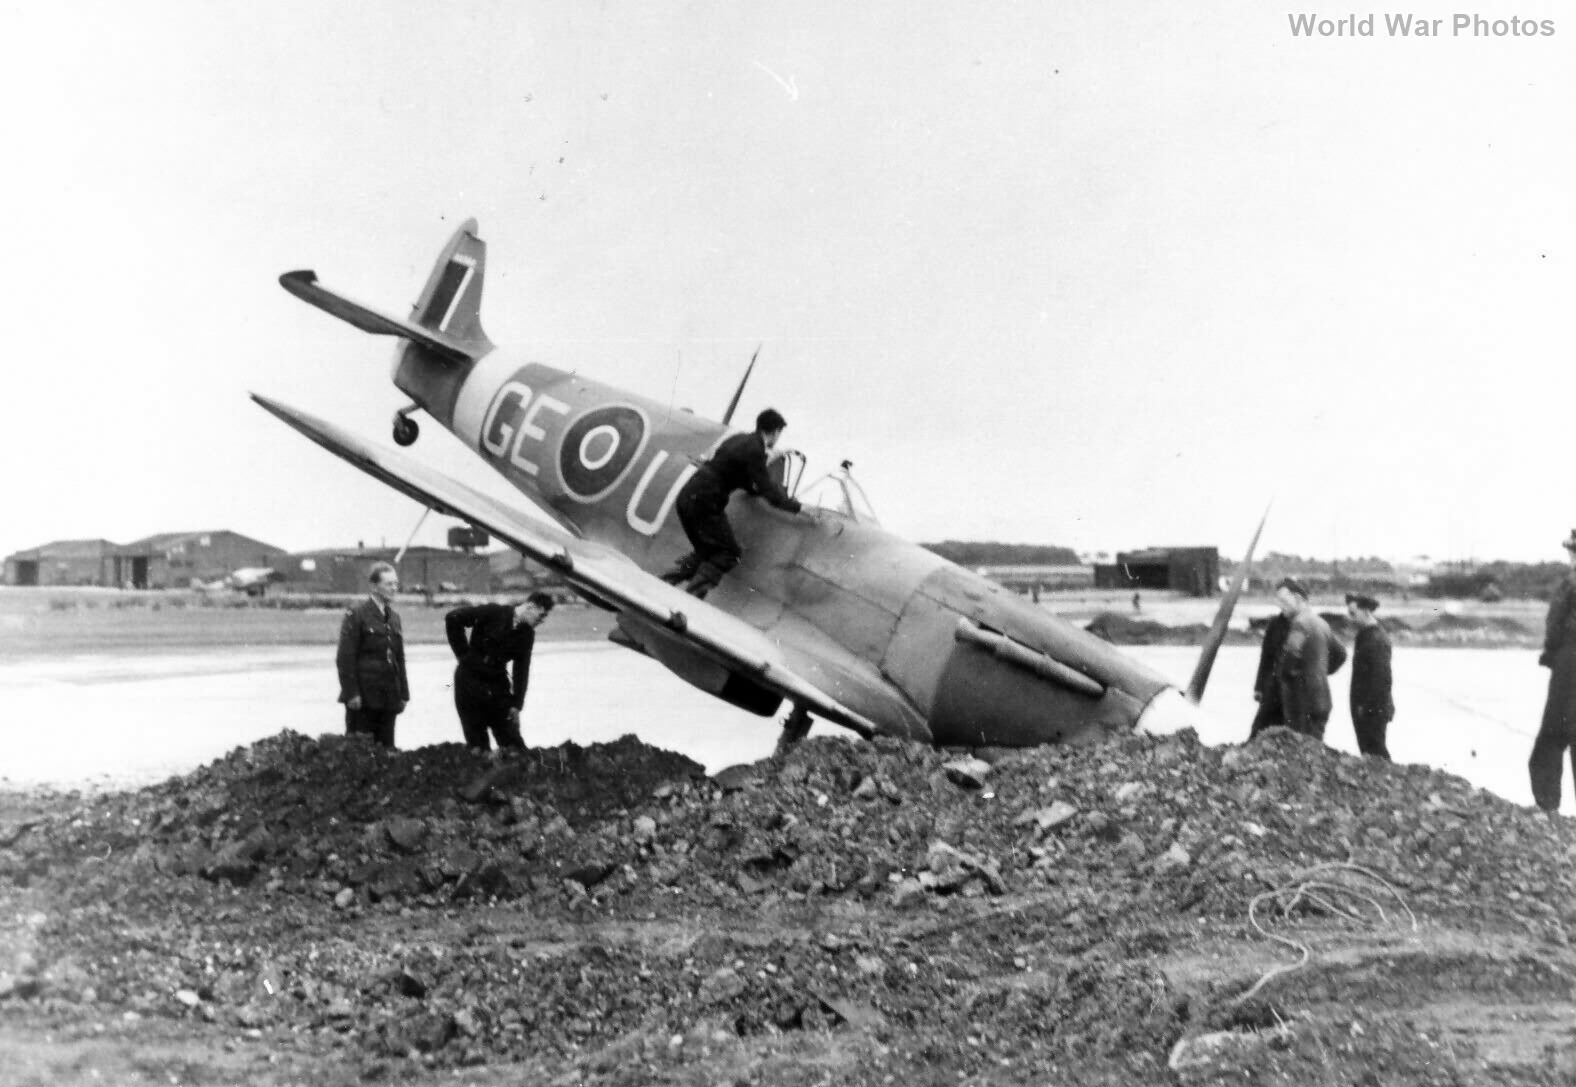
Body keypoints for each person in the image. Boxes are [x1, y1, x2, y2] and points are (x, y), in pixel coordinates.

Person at [664, 408, 802, 598]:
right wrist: (798, 508)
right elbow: (769, 491)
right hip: (706, 500)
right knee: (729, 553)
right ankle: (689, 600)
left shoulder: (737, 439)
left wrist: (753, 488)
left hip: (689, 493)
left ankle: (662, 583)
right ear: (775, 431)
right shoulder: (756, 450)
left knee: (706, 552)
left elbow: (736, 474)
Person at [445, 591, 555, 753]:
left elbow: (521, 670)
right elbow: (453, 618)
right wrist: (464, 656)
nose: (541, 621)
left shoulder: (527, 634)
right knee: (478, 746)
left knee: (513, 744)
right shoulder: (493, 612)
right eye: (541, 615)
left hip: (497, 684)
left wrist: (517, 704)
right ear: (531, 607)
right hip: (469, 683)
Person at [336, 561, 408, 748]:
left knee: (387, 751)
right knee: (359, 751)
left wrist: (403, 694)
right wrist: (352, 693)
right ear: (374, 587)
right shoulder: (357, 614)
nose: (394, 588)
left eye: (396, 583)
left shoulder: (394, 617)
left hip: (388, 699)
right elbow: (345, 658)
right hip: (363, 700)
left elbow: (399, 658)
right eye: (389, 584)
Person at [1529, 531, 1576, 814]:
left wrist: (1550, 653)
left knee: (1554, 732)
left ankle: (1548, 806)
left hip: (1570, 660)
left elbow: (1555, 623)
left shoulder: (1570, 583)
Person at [1273, 577, 1347, 741]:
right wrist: (1319, 671)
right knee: (1314, 746)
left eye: (1283, 601)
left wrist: (1285, 674)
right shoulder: (1322, 623)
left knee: (1300, 747)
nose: (1280, 606)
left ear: (1298, 598)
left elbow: (1291, 655)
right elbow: (1341, 655)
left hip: (1301, 702)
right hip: (1322, 698)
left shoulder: (1299, 625)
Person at [1346, 592, 1394, 760]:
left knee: (1376, 753)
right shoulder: (1366, 635)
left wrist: (1367, 708)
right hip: (1366, 708)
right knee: (1370, 752)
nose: (1350, 618)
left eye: (1353, 613)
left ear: (1366, 611)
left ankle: (1387, 775)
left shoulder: (1376, 639)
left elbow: (1382, 679)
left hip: (1372, 709)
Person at [1248, 610, 1292, 738]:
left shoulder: (1307, 624)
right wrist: (1259, 687)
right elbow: (1266, 658)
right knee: (1260, 727)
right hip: (1273, 686)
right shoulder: (1275, 624)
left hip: (1295, 690)